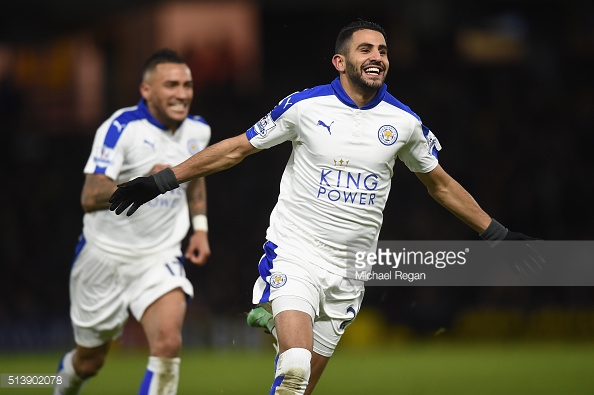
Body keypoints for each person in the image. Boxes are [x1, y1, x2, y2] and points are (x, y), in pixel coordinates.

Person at [108, 21, 541, 395]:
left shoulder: (404, 123)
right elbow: (236, 149)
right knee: (294, 366)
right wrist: (161, 182)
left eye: (383, 50)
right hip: (298, 253)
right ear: (340, 61)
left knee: (297, 387)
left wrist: (497, 234)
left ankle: (274, 319)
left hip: (351, 270)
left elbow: (440, 184)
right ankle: (278, 312)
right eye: (366, 49)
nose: (377, 57)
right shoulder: (305, 106)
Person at [55, 49, 211, 395]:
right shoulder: (120, 128)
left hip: (159, 256)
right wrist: (145, 182)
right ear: (146, 90)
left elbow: (196, 177)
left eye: (187, 85)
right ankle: (60, 385)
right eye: (171, 85)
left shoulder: (199, 131)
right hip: (103, 257)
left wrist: (200, 227)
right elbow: (90, 195)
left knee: (168, 343)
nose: (182, 93)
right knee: (89, 362)